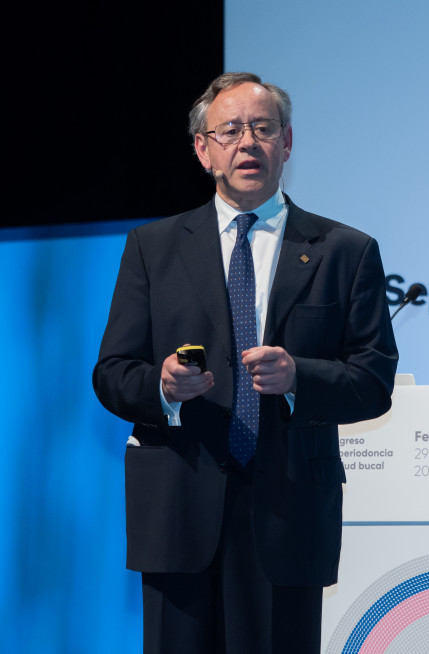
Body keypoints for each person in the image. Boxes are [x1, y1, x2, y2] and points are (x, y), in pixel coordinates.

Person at [92, 71, 398, 653]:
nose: (247, 142)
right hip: (178, 510)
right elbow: (111, 373)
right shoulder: (152, 249)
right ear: (203, 151)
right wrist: (162, 386)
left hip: (288, 516)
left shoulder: (345, 251)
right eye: (229, 130)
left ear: (287, 143)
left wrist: (297, 378)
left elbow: (373, 379)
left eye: (263, 128)